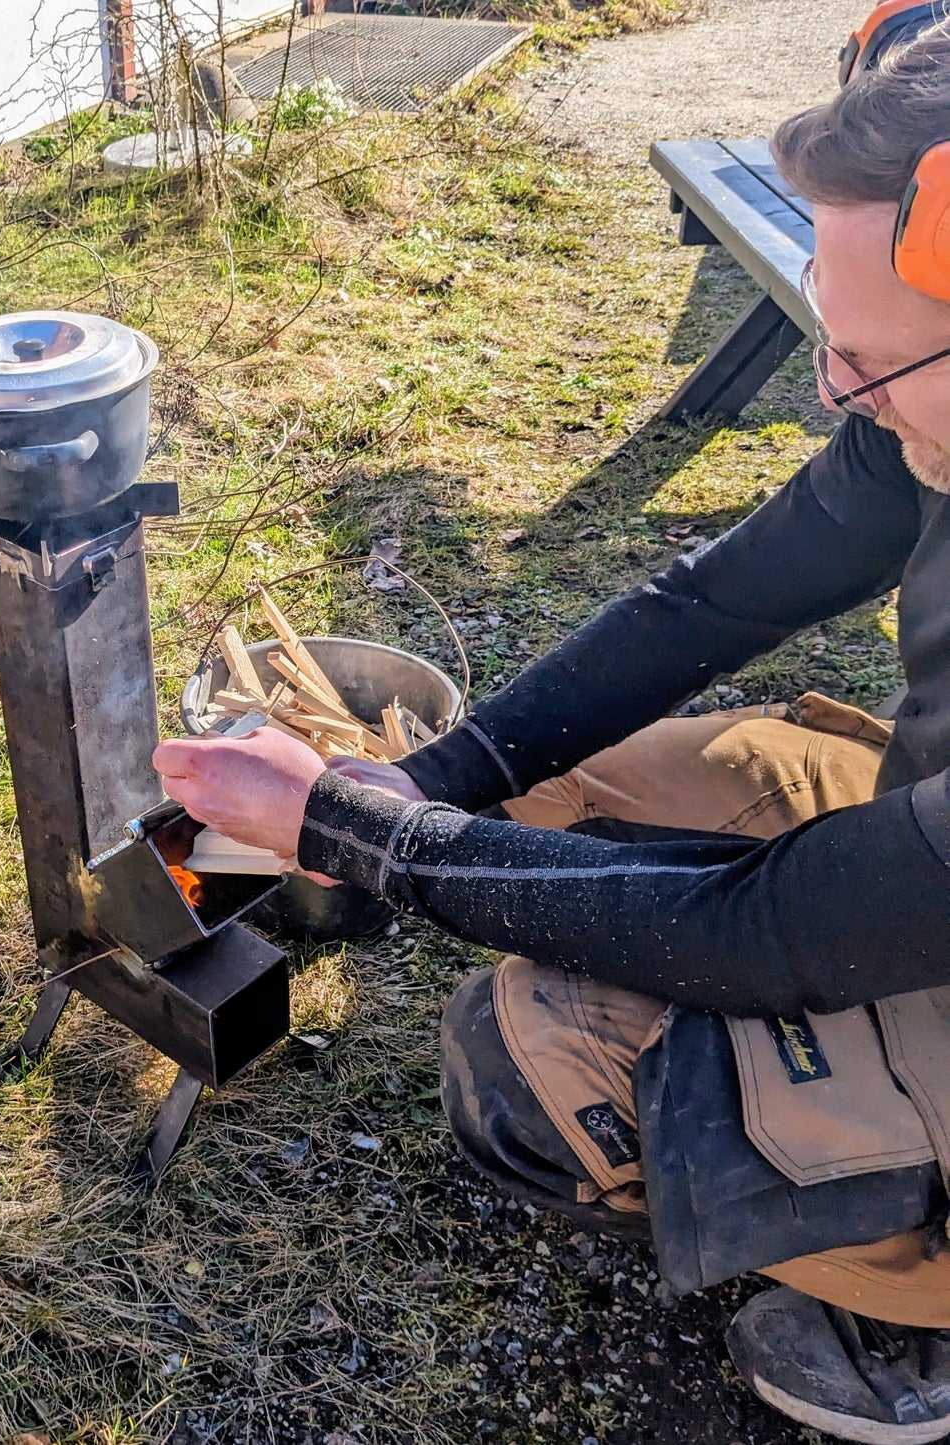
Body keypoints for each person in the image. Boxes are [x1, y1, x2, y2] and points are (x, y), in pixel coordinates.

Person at [155, 11, 950, 1443]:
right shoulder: (924, 418)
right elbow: (709, 603)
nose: (834, 394)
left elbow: (773, 933)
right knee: (560, 796)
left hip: (908, 909)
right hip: (921, 860)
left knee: (537, 1061)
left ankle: (908, 1287)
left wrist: (355, 828)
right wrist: (426, 780)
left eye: (868, 366)